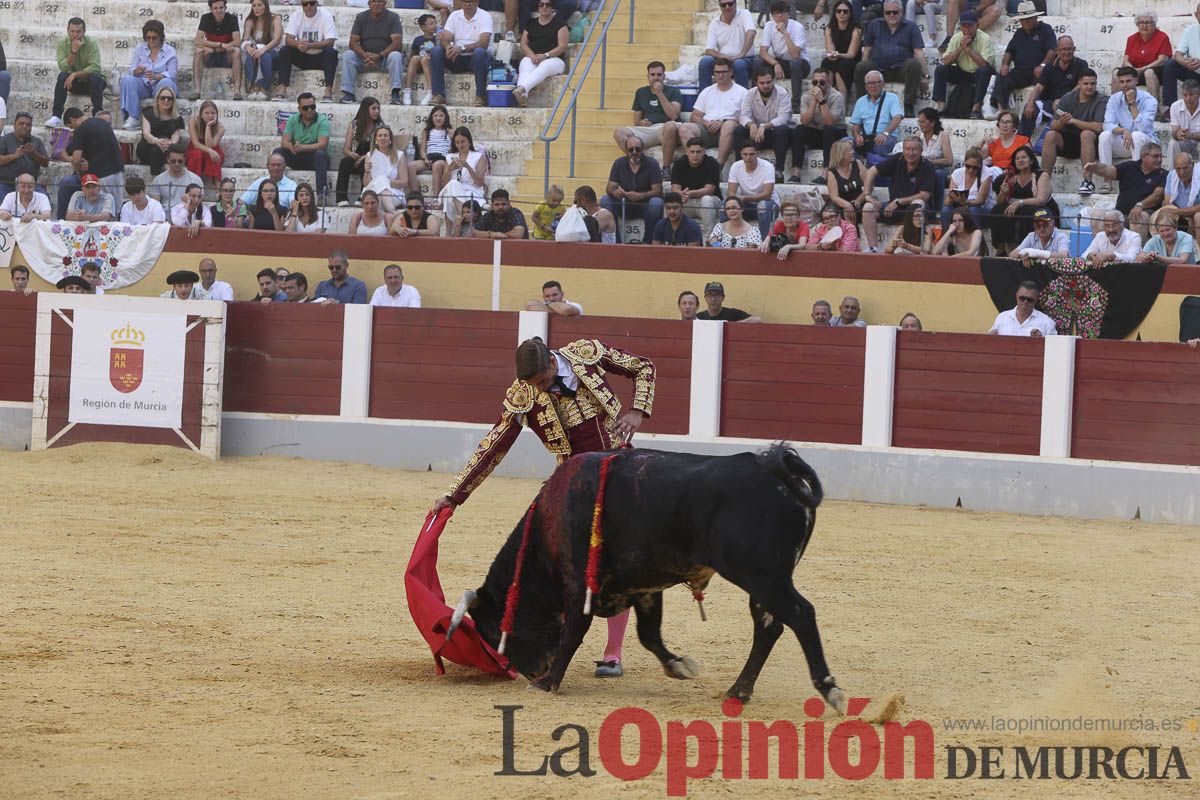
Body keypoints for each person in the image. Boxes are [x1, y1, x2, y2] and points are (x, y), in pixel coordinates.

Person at [430, 336, 655, 678]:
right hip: (576, 485)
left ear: (552, 361)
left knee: (614, 562)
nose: (542, 390)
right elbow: (493, 447)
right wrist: (453, 495)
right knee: (560, 566)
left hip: (620, 471)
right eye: (534, 385)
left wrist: (637, 410)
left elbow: (643, 367)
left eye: (544, 382)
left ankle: (612, 653)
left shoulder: (586, 354)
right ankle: (545, 648)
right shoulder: (525, 396)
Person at [862, 135, 937, 252]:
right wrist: (867, 195)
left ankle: (917, 249)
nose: (910, 153)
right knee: (868, 208)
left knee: (919, 202)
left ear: (921, 151)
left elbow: (925, 195)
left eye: (914, 149)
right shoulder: (897, 159)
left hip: (915, 210)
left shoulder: (928, 166)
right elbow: (872, 171)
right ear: (903, 150)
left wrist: (898, 201)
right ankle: (873, 248)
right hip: (894, 207)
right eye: (907, 149)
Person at [1090, 66, 1158, 194]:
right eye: (1122, 82)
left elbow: (1143, 128)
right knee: (1105, 135)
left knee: (1137, 135)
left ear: (1136, 81)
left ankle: (1137, 180)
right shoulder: (1114, 99)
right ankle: (1107, 181)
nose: (1125, 85)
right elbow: (1107, 124)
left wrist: (1132, 103)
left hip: (1145, 144)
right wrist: (1123, 131)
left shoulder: (1149, 100)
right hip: (1125, 142)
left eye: (1128, 81)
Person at [853, 0, 926, 117]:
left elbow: (919, 52)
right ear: (883, 13)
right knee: (862, 66)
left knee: (913, 64)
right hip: (878, 71)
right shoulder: (875, 24)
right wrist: (864, 67)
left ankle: (909, 105)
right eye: (888, 12)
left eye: (895, 12)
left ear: (902, 12)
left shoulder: (911, 26)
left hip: (901, 70)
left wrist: (925, 76)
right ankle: (862, 104)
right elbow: (867, 49)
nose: (891, 15)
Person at [672, 57, 749, 169]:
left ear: (731, 72)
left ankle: (718, 167)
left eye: (723, 72)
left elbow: (746, 117)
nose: (720, 75)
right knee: (684, 128)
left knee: (728, 126)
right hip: (707, 129)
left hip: (729, 130)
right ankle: (697, 165)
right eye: (717, 72)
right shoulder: (707, 91)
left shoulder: (742, 92)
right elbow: (694, 115)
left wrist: (722, 122)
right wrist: (706, 123)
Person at [1084, 140, 1166, 240]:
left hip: (1145, 214)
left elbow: (1157, 196)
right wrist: (1095, 167)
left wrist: (1140, 205)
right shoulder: (1130, 166)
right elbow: (1108, 171)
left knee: (1139, 216)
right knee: (1097, 215)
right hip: (1120, 214)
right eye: (1156, 156)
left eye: (1161, 156)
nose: (1160, 159)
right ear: (1144, 157)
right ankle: (1102, 251)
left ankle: (1135, 254)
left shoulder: (1164, 174)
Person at [736, 68, 801, 184]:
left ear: (773, 81)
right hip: (756, 134)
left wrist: (765, 126)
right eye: (762, 83)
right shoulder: (750, 93)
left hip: (778, 135)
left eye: (768, 82)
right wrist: (751, 125)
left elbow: (784, 117)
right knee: (739, 130)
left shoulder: (782, 93)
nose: (766, 86)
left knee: (781, 130)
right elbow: (743, 115)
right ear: (756, 83)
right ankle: (739, 168)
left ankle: (779, 171)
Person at [990, 1, 1056, 116]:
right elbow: (1009, 51)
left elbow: (1052, 50)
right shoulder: (1019, 33)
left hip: (1038, 72)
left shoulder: (1046, 29)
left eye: (1029, 18)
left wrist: (1043, 65)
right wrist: (1005, 64)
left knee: (1045, 78)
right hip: (1020, 72)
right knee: (1002, 76)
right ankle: (1001, 109)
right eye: (1023, 19)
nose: (1026, 21)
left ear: (1035, 17)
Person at [616, 62, 684, 169]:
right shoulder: (641, 92)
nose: (656, 78)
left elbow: (674, 115)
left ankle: (666, 168)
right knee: (619, 132)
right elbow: (637, 120)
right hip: (649, 129)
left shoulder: (674, 91)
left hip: (667, 128)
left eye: (659, 75)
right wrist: (641, 122)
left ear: (664, 76)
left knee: (669, 127)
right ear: (647, 76)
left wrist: (660, 94)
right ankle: (639, 162)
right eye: (652, 75)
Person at [60, 108, 124, 218]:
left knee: (103, 212)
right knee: (117, 212)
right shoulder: (103, 123)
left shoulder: (80, 130)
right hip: (118, 172)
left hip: (101, 176)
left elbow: (76, 160)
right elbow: (118, 147)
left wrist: (80, 175)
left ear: (72, 120)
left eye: (71, 127)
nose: (72, 129)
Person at [1041, 68, 1105, 178]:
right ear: (1079, 83)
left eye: (1093, 84)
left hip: (1091, 143)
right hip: (1069, 141)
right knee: (1050, 135)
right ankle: (1044, 178)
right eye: (1086, 83)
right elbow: (1053, 125)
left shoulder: (1101, 99)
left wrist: (1073, 121)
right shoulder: (1067, 98)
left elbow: (1099, 127)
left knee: (1086, 134)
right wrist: (1062, 121)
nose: (1089, 87)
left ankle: (1087, 181)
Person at [1019, 35, 1088, 136]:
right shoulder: (1049, 66)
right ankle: (1023, 143)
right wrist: (1030, 103)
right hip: (1052, 105)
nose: (1067, 52)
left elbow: (1080, 85)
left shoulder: (1081, 64)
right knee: (1029, 108)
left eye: (1070, 49)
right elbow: (1039, 87)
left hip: (1072, 107)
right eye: (1063, 49)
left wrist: (1064, 100)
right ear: (1057, 51)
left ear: (1074, 49)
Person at [932, 10, 995, 120]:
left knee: (984, 71)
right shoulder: (956, 38)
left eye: (970, 26)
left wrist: (967, 49)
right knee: (940, 70)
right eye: (964, 26)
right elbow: (945, 61)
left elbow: (984, 64)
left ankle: (976, 108)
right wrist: (960, 48)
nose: (967, 29)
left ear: (977, 25)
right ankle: (941, 106)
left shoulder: (984, 38)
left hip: (981, 73)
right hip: (963, 72)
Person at [991, 144, 1053, 254]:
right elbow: (1000, 201)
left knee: (1030, 213)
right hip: (1015, 207)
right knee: (998, 209)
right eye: (1017, 158)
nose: (1020, 160)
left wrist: (1019, 203)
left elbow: (1040, 200)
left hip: (1036, 207)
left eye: (1024, 157)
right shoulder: (1010, 176)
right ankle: (1001, 247)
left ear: (1031, 161)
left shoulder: (1041, 175)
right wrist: (1003, 193)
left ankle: (1027, 249)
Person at [430, 0, 493, 107]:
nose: (467, 5)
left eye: (470, 2)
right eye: (465, 2)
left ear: (477, 2)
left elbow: (483, 43)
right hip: (456, 57)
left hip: (475, 58)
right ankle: (438, 94)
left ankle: (480, 96)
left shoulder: (485, 16)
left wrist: (462, 48)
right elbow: (444, 38)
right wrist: (448, 47)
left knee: (480, 53)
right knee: (436, 51)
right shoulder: (455, 15)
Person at [341, 0, 404, 106]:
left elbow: (397, 43)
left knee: (396, 56)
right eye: (373, 1)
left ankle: (395, 93)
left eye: (380, 1)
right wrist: (364, 55)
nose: (376, 4)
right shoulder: (361, 17)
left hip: (384, 58)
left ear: (385, 3)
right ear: (369, 3)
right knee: (348, 55)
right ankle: (348, 94)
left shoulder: (393, 17)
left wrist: (380, 55)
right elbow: (353, 42)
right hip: (365, 58)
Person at [601, 136, 663, 244]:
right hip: (625, 203)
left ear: (642, 149)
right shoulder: (619, 163)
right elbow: (610, 188)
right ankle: (617, 241)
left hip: (644, 204)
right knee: (605, 200)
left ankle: (648, 242)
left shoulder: (652, 163)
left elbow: (658, 191)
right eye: (631, 149)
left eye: (637, 149)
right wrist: (616, 193)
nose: (634, 152)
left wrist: (640, 196)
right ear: (626, 151)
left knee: (656, 203)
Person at [47, 18, 106, 128]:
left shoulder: (92, 43)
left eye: (78, 31)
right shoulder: (62, 43)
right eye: (72, 31)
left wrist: (74, 74)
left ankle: (98, 114)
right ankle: (56, 116)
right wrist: (73, 51)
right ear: (67, 30)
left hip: (92, 83)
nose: (75, 35)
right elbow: (63, 67)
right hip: (73, 83)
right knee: (62, 76)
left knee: (96, 78)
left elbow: (95, 68)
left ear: (84, 32)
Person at [119, 20, 178, 131]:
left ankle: (163, 119)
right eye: (148, 37)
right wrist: (137, 70)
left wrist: (157, 76)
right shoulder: (139, 49)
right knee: (127, 79)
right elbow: (132, 69)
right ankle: (133, 117)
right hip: (143, 84)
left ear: (161, 36)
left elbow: (172, 74)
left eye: (154, 37)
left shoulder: (170, 51)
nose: (151, 40)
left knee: (167, 82)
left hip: (160, 85)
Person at [278, 0, 339, 101]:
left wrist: (310, 45)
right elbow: (288, 39)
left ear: (317, 3)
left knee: (331, 52)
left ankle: (328, 90)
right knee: (285, 50)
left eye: (312, 3)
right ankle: (282, 89)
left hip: (321, 57)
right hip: (302, 56)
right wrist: (298, 44)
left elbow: (330, 41)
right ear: (301, 5)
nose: (309, 6)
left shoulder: (326, 15)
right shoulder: (296, 15)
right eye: (305, 4)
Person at [277, 93, 331, 203]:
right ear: (299, 109)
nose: (310, 110)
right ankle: (274, 186)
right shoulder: (292, 119)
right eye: (306, 108)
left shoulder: (323, 120)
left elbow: (322, 144)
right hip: (297, 154)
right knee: (277, 153)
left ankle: (321, 194)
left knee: (320, 154)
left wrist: (302, 147)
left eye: (313, 106)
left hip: (315, 158)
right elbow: (284, 141)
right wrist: (291, 147)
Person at [513, 0, 568, 107]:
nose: (544, 7)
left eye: (548, 4)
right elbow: (523, 43)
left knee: (544, 65)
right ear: (538, 7)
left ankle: (522, 88)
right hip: (535, 56)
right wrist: (532, 55)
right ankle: (523, 97)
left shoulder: (560, 24)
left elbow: (563, 46)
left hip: (555, 60)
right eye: (541, 5)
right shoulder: (531, 23)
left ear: (552, 7)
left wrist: (545, 55)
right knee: (525, 64)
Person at [754, 0, 809, 108]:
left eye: (782, 12)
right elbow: (763, 52)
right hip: (780, 63)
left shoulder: (797, 27)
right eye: (776, 13)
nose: (779, 16)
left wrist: (784, 32)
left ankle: (796, 102)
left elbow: (795, 55)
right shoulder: (769, 25)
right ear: (772, 15)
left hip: (800, 65)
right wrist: (775, 64)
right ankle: (755, 97)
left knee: (795, 63)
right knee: (757, 62)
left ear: (788, 14)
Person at [191, 0, 244, 102]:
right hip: (211, 57)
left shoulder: (232, 19)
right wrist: (220, 45)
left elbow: (237, 42)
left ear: (225, 8)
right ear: (211, 9)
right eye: (215, 8)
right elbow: (198, 40)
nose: (219, 11)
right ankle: (197, 91)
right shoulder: (206, 18)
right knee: (198, 51)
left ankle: (237, 92)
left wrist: (214, 50)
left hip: (226, 56)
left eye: (221, 8)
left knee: (236, 51)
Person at [1114, 11, 1169, 107]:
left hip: (1155, 72)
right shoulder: (1132, 38)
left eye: (1148, 22)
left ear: (1154, 24)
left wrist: (1144, 68)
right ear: (1137, 24)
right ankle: (1116, 107)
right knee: (1116, 73)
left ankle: (1154, 109)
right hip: (1135, 72)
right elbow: (1125, 60)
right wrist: (1132, 69)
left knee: (1149, 72)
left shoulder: (1162, 37)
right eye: (1141, 23)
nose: (1144, 25)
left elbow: (1162, 60)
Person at [796, 67, 847, 171]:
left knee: (829, 130)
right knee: (799, 129)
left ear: (829, 83)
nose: (818, 85)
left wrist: (822, 100)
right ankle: (796, 173)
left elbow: (830, 122)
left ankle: (826, 172)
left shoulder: (837, 96)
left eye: (822, 82)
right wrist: (814, 101)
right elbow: (804, 121)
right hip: (817, 133)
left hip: (835, 134)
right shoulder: (806, 96)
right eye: (815, 82)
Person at [699, 0, 757, 90]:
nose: (727, 7)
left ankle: (743, 99)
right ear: (720, 6)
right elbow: (709, 50)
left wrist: (741, 54)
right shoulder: (714, 23)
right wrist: (722, 56)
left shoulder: (744, 14)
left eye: (730, 4)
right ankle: (704, 97)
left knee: (739, 64)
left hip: (745, 59)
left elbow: (751, 32)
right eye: (723, 5)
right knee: (705, 62)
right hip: (724, 60)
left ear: (735, 4)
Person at [670, 138, 722, 234]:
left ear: (704, 152)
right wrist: (681, 194)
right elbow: (675, 188)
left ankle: (710, 239)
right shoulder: (679, 164)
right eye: (692, 152)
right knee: (670, 203)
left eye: (698, 152)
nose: (695, 155)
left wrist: (690, 193)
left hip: (710, 201)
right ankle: (671, 237)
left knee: (706, 200)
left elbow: (709, 190)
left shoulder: (712, 163)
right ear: (687, 152)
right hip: (687, 200)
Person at [847, 69, 903, 160]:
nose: (873, 86)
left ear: (882, 84)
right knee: (845, 143)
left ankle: (874, 172)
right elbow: (856, 125)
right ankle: (856, 170)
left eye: (876, 82)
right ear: (865, 86)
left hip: (886, 136)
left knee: (880, 143)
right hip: (866, 138)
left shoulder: (892, 98)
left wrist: (885, 133)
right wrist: (857, 136)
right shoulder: (860, 101)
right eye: (869, 83)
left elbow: (897, 118)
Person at [336, 97, 382, 206]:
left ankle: (363, 196)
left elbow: (380, 149)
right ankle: (341, 197)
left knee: (365, 164)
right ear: (366, 109)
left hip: (371, 158)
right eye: (373, 108)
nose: (377, 111)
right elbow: (346, 149)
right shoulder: (354, 124)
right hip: (355, 156)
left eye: (378, 109)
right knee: (344, 162)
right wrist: (351, 154)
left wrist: (363, 158)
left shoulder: (380, 127)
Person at [726, 141, 778, 238]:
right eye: (745, 154)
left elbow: (767, 195)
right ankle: (726, 238)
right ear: (740, 154)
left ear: (758, 154)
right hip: (747, 205)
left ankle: (763, 242)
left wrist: (744, 198)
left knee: (763, 205)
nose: (748, 157)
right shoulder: (736, 166)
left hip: (769, 205)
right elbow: (730, 193)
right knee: (724, 206)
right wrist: (737, 200)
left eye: (752, 154)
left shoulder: (767, 167)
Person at [941, 146, 999, 229]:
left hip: (982, 210)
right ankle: (947, 238)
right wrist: (951, 198)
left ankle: (975, 238)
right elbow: (946, 203)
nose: (971, 170)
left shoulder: (986, 172)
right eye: (968, 166)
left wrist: (966, 203)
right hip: (961, 209)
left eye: (975, 168)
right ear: (964, 163)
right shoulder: (957, 173)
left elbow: (981, 201)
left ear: (980, 165)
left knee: (972, 210)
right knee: (946, 210)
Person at [0, 113, 49, 204]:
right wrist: (15, 155)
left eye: (28, 125)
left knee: (44, 197)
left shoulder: (37, 141)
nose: (25, 126)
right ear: (14, 125)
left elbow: (45, 163)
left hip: (29, 185)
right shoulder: (4, 140)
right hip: (6, 183)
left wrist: (34, 153)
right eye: (21, 123)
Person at [136, 87, 185, 176]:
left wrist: (169, 144)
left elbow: (175, 138)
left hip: (165, 148)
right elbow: (146, 134)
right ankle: (162, 177)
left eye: (169, 98)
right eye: (163, 98)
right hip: (147, 147)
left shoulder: (177, 118)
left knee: (164, 150)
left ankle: (161, 178)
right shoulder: (149, 113)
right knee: (156, 150)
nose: (166, 100)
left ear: (173, 102)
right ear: (157, 100)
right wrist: (157, 141)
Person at [821, 0, 863, 102]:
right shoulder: (829, 28)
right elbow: (830, 51)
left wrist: (838, 55)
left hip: (851, 60)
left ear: (850, 13)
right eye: (839, 11)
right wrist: (833, 55)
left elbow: (851, 54)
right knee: (826, 62)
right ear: (834, 13)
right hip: (837, 58)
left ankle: (842, 99)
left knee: (842, 65)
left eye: (845, 11)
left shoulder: (856, 30)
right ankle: (828, 96)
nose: (842, 14)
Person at [241, 0, 282, 101]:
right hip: (257, 51)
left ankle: (264, 88)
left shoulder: (275, 18)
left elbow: (277, 39)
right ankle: (254, 87)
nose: (256, 8)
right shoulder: (250, 21)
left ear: (266, 6)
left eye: (259, 5)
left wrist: (263, 50)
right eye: (254, 5)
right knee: (250, 54)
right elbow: (245, 40)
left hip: (273, 52)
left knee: (265, 56)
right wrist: (248, 48)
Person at [1164, 3, 1200, 112]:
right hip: (1196, 75)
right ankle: (1171, 107)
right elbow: (1178, 55)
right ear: (1196, 15)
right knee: (1171, 65)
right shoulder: (1190, 30)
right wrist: (1186, 63)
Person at [989, 280, 1057, 337]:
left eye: (1029, 300)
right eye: (1022, 298)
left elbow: (1054, 347)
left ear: (1036, 300)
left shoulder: (1047, 323)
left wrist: (1042, 339)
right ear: (1016, 296)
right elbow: (989, 341)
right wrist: (991, 337)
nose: (1025, 302)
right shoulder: (1002, 318)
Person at [825, 138, 869, 225]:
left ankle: (851, 235)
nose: (852, 152)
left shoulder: (858, 164)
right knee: (845, 211)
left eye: (852, 149)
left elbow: (869, 185)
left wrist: (859, 200)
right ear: (840, 154)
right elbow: (834, 197)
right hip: (842, 205)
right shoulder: (832, 172)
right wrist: (847, 205)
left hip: (859, 203)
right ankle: (850, 235)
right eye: (849, 150)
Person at [413, 105, 454, 196]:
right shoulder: (427, 131)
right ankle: (415, 194)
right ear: (431, 117)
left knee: (437, 165)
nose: (438, 118)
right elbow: (423, 150)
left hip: (442, 158)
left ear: (445, 118)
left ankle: (436, 197)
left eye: (441, 116)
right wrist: (425, 159)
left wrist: (452, 137)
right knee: (410, 166)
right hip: (430, 158)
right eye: (435, 115)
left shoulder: (449, 131)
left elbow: (453, 149)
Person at [916, 107, 952, 209]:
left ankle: (938, 210)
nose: (920, 124)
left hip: (939, 169)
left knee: (937, 174)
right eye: (919, 121)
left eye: (923, 122)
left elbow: (949, 160)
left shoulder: (943, 135)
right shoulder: (919, 135)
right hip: (922, 169)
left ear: (932, 123)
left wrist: (931, 162)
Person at [185, 100, 226, 188]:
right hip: (196, 148)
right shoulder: (193, 121)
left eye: (213, 113)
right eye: (207, 113)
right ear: (201, 114)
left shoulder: (220, 127)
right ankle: (194, 184)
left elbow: (210, 145)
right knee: (197, 154)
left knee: (214, 156)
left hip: (212, 149)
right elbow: (195, 143)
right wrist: (210, 151)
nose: (210, 115)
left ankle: (218, 186)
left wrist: (208, 126)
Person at [150, 144, 202, 211]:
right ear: (168, 160)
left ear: (185, 160)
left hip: (187, 215)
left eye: (180, 161)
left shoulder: (195, 180)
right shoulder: (158, 180)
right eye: (173, 161)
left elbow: (198, 204)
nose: (176, 164)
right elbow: (155, 205)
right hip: (165, 216)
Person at [403, 14, 439, 106]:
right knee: (415, 58)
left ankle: (430, 91)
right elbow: (413, 53)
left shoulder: (437, 39)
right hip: (418, 64)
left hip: (430, 64)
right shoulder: (418, 39)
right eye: (431, 23)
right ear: (423, 27)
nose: (434, 25)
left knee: (425, 59)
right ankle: (407, 91)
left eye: (435, 23)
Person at [1163, 151, 1200, 233]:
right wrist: (1188, 217)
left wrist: (1179, 212)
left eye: (1185, 168)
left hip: (1194, 215)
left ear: (1192, 165)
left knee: (1198, 217)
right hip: (1181, 217)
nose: (1182, 172)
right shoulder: (1171, 176)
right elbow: (1168, 204)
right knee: (1164, 216)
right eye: (1178, 169)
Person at [1168, 80, 1200, 164]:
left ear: (1199, 94)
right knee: (1173, 143)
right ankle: (1172, 175)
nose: (1188, 98)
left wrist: (1192, 135)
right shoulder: (1175, 106)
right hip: (1185, 144)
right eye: (1185, 95)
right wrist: (1178, 133)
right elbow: (1174, 133)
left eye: (1191, 95)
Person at [696, 281, 761, 322]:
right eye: (710, 295)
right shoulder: (699, 317)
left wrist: (732, 326)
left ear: (723, 297)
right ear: (705, 298)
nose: (713, 299)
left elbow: (758, 320)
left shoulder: (732, 313)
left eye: (717, 295)